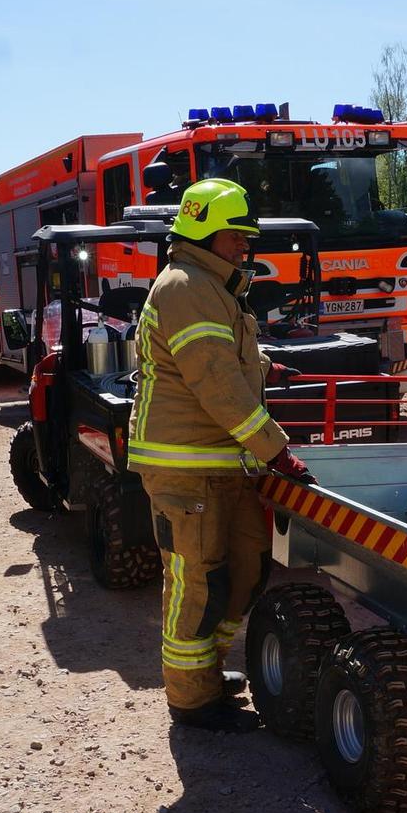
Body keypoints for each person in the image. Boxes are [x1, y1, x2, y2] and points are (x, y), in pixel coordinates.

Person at [128, 179, 311, 733]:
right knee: (198, 584)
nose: (245, 247)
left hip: (221, 464)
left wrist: (265, 368)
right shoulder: (186, 285)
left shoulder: (211, 285)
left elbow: (223, 363)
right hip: (187, 468)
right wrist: (278, 451)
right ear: (205, 232)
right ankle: (191, 699)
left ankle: (208, 669)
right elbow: (214, 382)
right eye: (236, 236)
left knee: (247, 569)